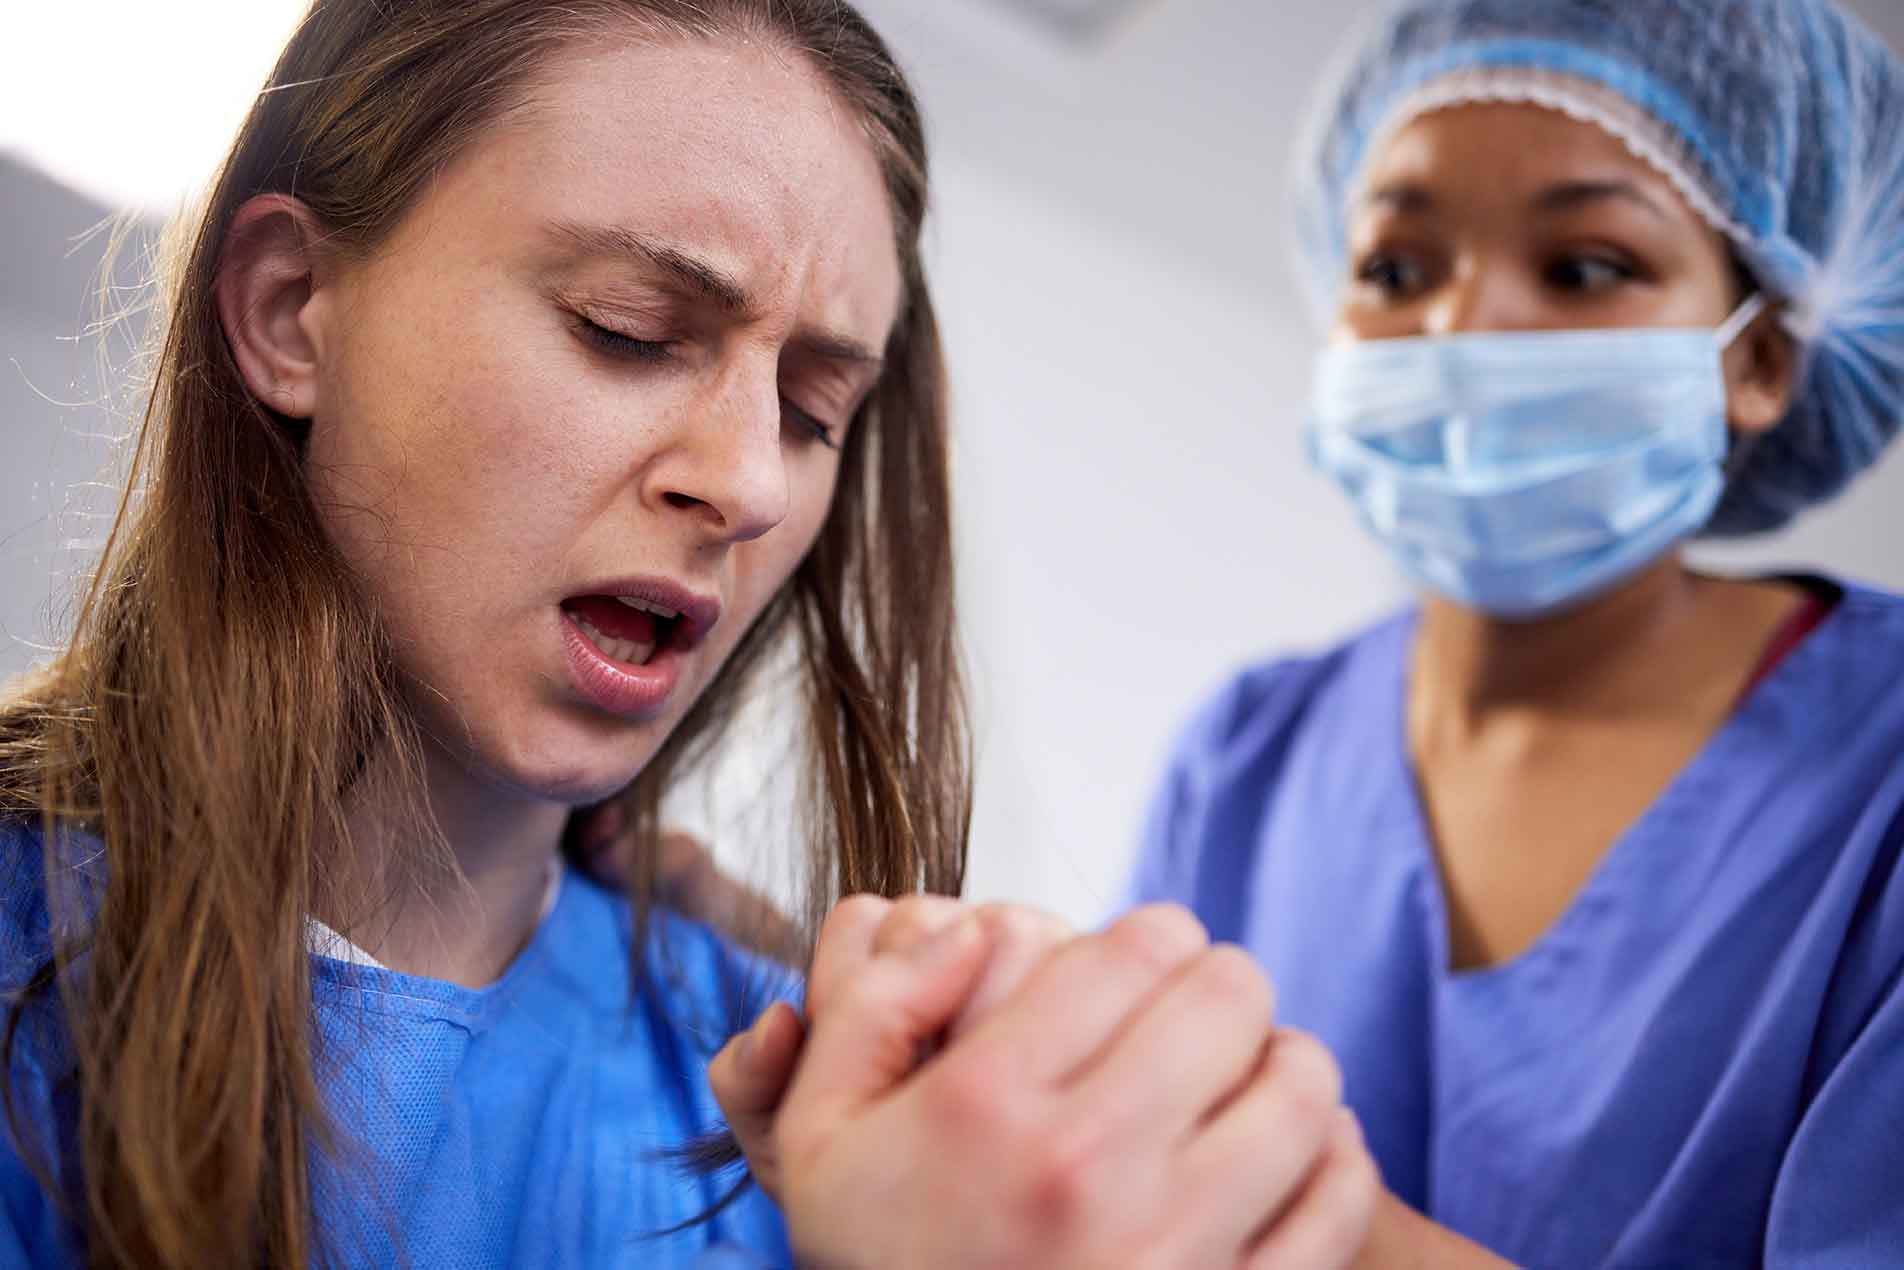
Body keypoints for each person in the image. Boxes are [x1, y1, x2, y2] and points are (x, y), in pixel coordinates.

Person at [0, 1, 1374, 1267]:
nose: (754, 483)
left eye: (814, 410)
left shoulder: (809, 1089)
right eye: (631, 329)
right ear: (289, 310)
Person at [690, 0, 1904, 1266]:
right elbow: (1108, 1123)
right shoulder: (1250, 755)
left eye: (1582, 267)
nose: (1456, 328)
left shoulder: (1871, 783)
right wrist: (819, 988)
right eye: (1393, 269)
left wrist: (1291, 1214)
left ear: (1758, 355)